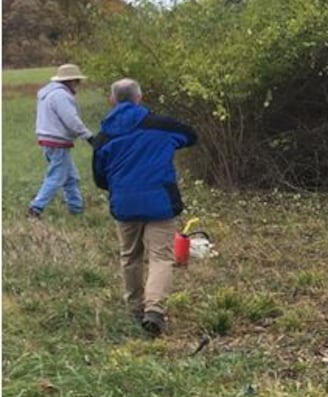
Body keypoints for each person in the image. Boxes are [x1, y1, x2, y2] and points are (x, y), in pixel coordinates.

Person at [90, 79, 199, 337]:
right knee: (161, 257)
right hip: (159, 202)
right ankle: (154, 311)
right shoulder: (161, 126)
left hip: (124, 204)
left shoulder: (103, 137)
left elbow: (99, 178)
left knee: (130, 256)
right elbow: (191, 136)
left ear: (112, 100)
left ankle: (135, 308)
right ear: (140, 97)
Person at [27, 63, 94, 219]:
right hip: (57, 141)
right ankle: (35, 208)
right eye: (77, 81)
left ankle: (76, 209)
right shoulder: (61, 96)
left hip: (49, 140)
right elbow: (71, 119)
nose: (79, 84)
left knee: (71, 177)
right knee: (56, 177)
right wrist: (88, 136)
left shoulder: (49, 93)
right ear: (70, 81)